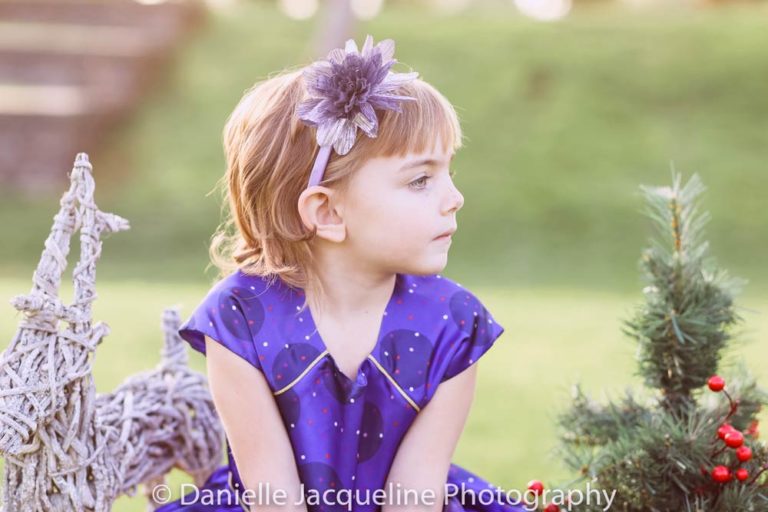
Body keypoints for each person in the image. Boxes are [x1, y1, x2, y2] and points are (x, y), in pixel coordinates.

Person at [156, 35, 529, 512]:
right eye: (421, 180)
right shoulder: (239, 320)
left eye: (448, 172)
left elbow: (415, 493)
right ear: (327, 211)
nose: (454, 197)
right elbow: (274, 498)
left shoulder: (453, 323)